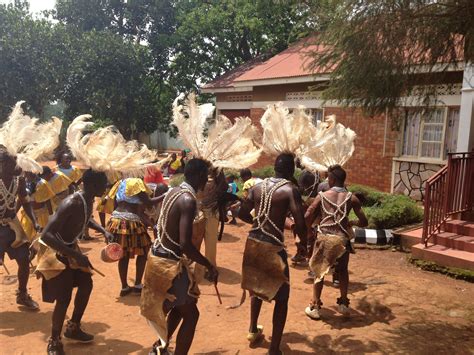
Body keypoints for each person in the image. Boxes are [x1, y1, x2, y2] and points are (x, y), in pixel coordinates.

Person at [140, 158, 218, 355]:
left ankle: (159, 347)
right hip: (169, 263)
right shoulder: (188, 200)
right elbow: (185, 244)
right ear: (200, 176)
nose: (206, 183)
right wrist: (209, 264)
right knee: (192, 315)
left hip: (159, 256)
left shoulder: (172, 190)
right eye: (206, 178)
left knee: (181, 304)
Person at [37, 169, 114, 354]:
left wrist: (103, 230)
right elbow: (46, 235)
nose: (106, 187)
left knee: (86, 284)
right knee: (63, 298)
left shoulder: (88, 200)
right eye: (104, 183)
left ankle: (73, 328)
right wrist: (75, 255)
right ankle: (54, 340)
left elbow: (86, 218)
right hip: (56, 252)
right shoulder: (71, 202)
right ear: (92, 185)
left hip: (71, 249)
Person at [238, 153, 307, 355]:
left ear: (274, 167)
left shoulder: (257, 187)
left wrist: (259, 224)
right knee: (282, 298)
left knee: (257, 288)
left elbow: (241, 212)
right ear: (291, 171)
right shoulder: (289, 190)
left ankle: (252, 329)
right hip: (273, 246)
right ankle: (274, 349)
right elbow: (301, 223)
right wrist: (303, 245)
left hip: (253, 243)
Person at [304, 165, 368, 320]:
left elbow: (308, 214)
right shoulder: (352, 198)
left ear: (332, 179)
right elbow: (364, 221)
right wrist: (351, 223)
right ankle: (344, 304)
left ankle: (315, 306)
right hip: (341, 240)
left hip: (325, 238)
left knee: (319, 272)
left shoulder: (322, 195)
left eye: (328, 178)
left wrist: (310, 227)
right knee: (343, 270)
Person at [106, 177, 165, 296]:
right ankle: (138, 285)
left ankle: (124, 287)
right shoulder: (136, 183)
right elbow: (148, 202)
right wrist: (166, 195)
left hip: (116, 220)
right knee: (143, 252)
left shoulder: (120, 182)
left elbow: (114, 204)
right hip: (130, 221)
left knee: (123, 254)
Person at [0, 146, 40, 310]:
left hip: (12, 226)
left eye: (17, 161)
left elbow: (25, 201)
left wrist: (34, 220)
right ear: (2, 164)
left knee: (24, 260)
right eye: (13, 162)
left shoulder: (20, 180)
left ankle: (22, 294)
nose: (18, 166)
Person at [194, 167, 228, 282]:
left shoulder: (217, 170)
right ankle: (192, 265)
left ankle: (210, 267)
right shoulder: (197, 164)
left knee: (210, 240)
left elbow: (224, 186)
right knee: (194, 239)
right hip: (195, 210)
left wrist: (214, 196)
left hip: (211, 211)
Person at [19, 170, 55, 243]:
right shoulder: (22, 184)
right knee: (26, 237)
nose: (28, 172)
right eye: (26, 171)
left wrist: (51, 216)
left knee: (42, 239)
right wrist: (14, 213)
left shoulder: (43, 183)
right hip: (27, 216)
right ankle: (29, 253)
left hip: (42, 215)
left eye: (30, 170)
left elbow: (47, 200)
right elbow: (20, 200)